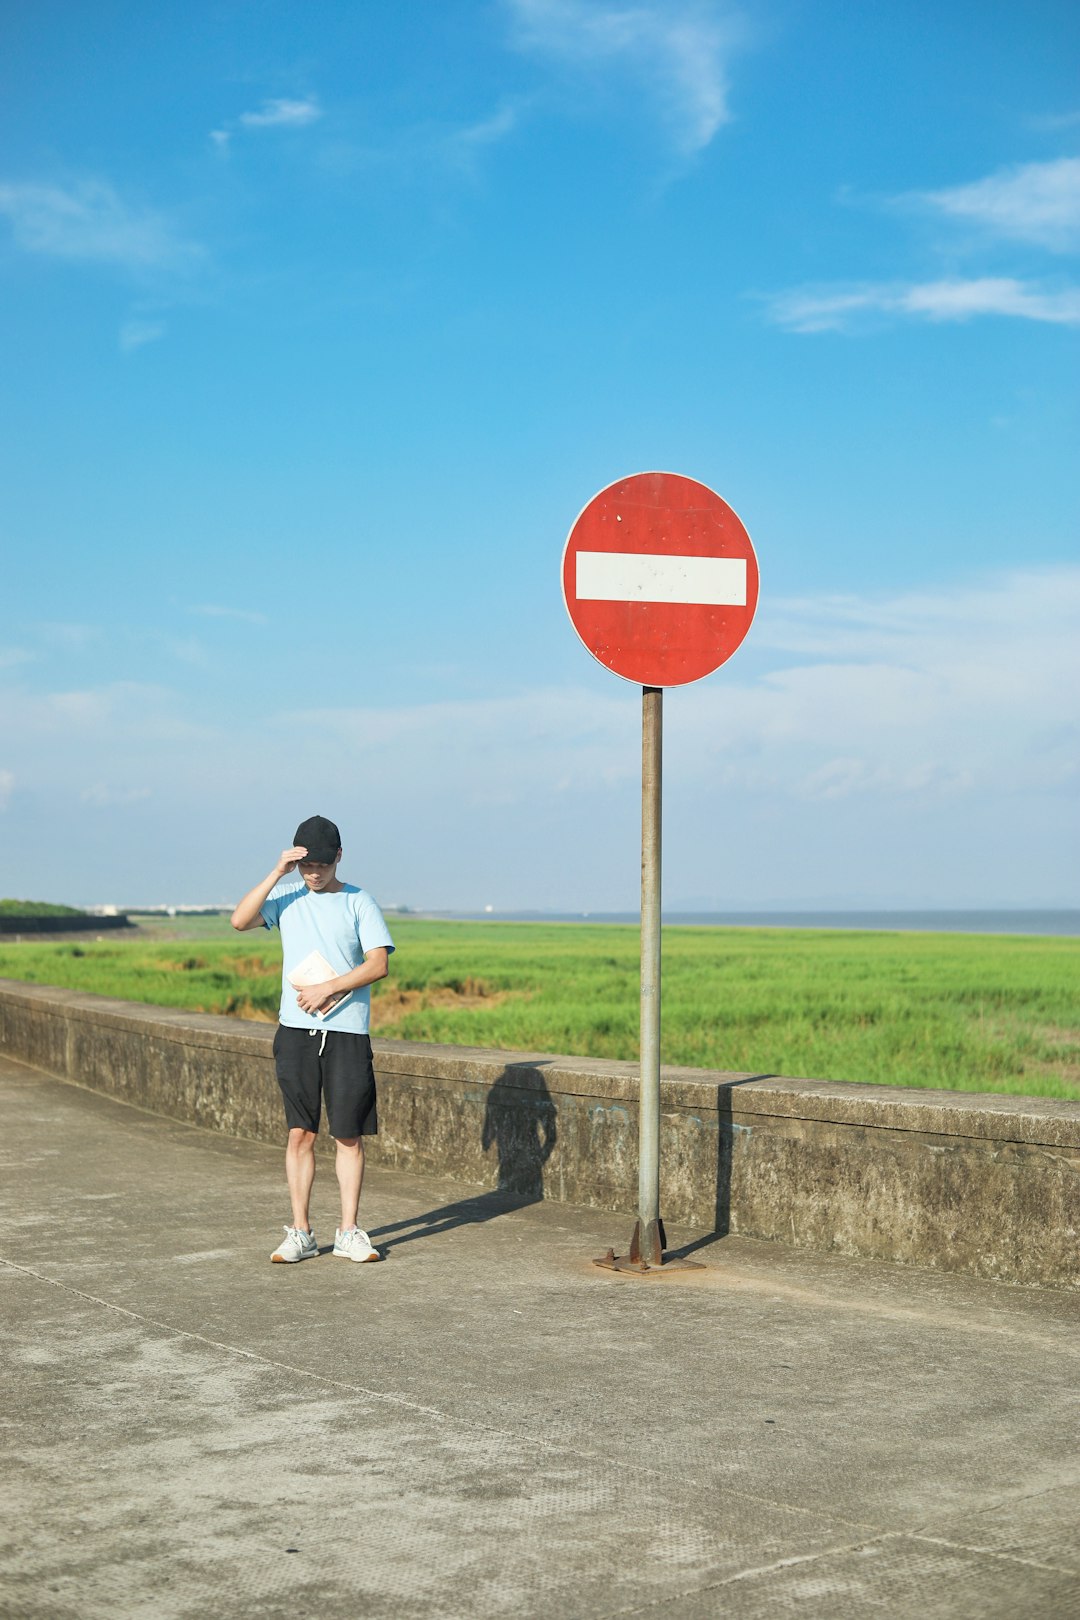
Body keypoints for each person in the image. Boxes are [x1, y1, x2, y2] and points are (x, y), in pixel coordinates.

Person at [230, 814, 395, 1265]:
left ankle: (349, 1231)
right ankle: (301, 1232)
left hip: (346, 1033)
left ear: (338, 857)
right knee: (299, 1133)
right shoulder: (286, 897)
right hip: (297, 1032)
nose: (314, 873)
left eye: (321, 864)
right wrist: (276, 872)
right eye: (306, 865)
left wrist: (330, 987)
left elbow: (378, 963)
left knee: (348, 1136)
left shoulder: (360, 901)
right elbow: (239, 920)